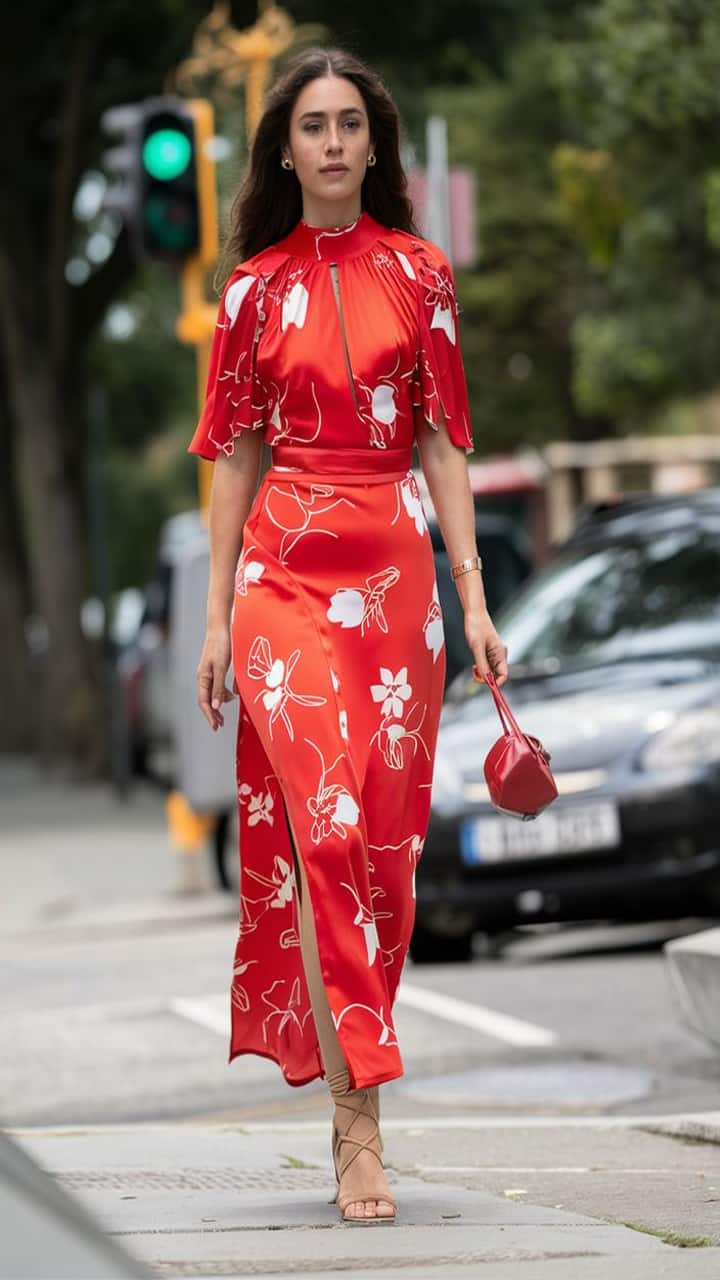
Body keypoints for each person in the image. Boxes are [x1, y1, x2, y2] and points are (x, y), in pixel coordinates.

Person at [189, 46, 507, 1225]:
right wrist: (220, 613)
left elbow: (444, 445)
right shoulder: (248, 292)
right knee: (320, 825)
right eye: (311, 125)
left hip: (395, 575)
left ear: (375, 147)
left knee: (382, 853)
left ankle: (357, 1073)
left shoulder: (421, 275)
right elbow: (231, 456)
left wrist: (473, 599)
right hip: (282, 576)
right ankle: (356, 1127)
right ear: (284, 149)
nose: (330, 142)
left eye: (350, 125)